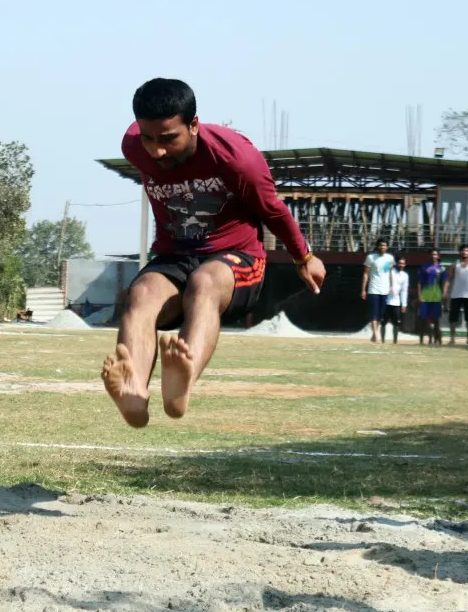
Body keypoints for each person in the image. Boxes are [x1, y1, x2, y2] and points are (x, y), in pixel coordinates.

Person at [101, 79, 324, 427]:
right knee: (141, 293)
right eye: (148, 138)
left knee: (204, 282)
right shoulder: (133, 146)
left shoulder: (237, 159)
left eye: (168, 139)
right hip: (175, 255)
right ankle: (134, 395)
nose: (157, 152)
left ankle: (181, 385)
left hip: (236, 257)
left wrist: (304, 257)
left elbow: (273, 209)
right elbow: (148, 145)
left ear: (193, 125)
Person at [361, 239, 395, 344]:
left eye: (384, 245)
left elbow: (390, 273)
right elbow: (366, 274)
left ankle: (374, 334)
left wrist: (391, 285)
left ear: (387, 247)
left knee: (380, 314)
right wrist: (363, 289)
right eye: (380, 245)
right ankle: (376, 335)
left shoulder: (390, 258)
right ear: (377, 246)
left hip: (385, 290)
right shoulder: (371, 257)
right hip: (373, 289)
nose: (382, 247)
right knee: (373, 313)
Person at [445, 245, 468, 345]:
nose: (464, 252)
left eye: (466, 250)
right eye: (463, 250)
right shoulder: (454, 265)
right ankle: (452, 339)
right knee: (453, 318)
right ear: (459, 252)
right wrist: (445, 292)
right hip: (456, 295)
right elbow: (448, 279)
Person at [416, 249, 445, 346]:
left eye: (435, 254)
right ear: (430, 255)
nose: (434, 256)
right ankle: (423, 340)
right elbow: (419, 282)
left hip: (436, 297)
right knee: (423, 319)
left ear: (438, 256)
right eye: (432, 254)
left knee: (436, 320)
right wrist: (419, 295)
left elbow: (443, 284)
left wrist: (443, 296)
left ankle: (438, 339)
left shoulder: (442, 268)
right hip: (425, 296)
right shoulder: (424, 267)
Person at [384, 255, 409, 345]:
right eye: (400, 263)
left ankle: (395, 341)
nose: (401, 265)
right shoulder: (390, 271)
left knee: (396, 323)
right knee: (383, 322)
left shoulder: (405, 276)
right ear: (396, 264)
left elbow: (404, 290)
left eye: (403, 263)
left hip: (396, 302)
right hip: (386, 301)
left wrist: (404, 304)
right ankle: (382, 341)